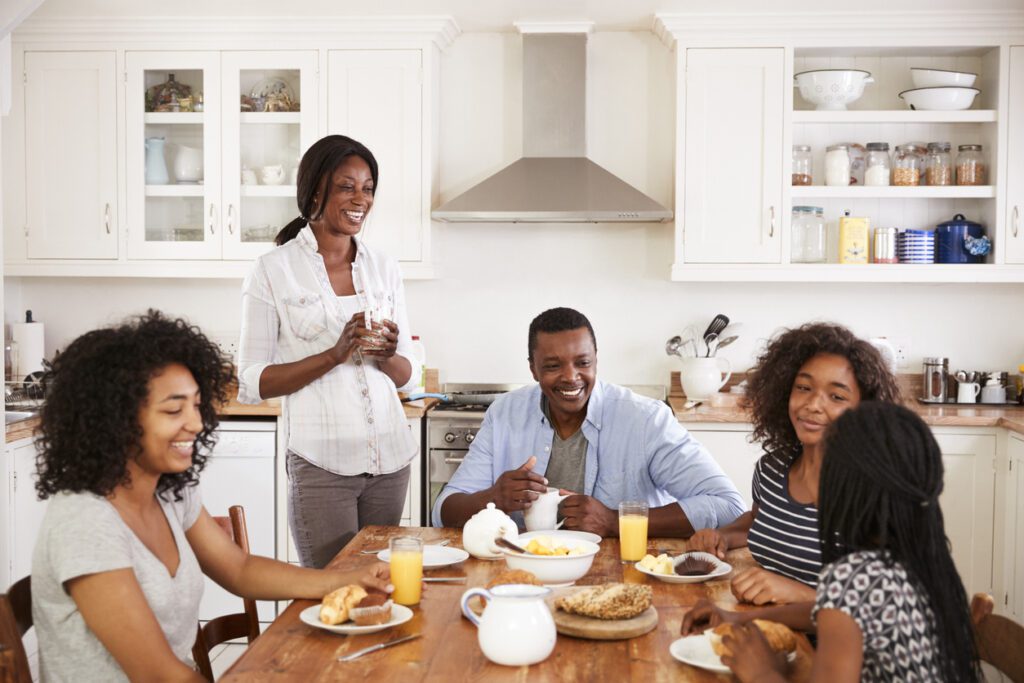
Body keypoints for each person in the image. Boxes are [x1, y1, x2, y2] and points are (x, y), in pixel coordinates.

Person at [31, 311, 391, 682]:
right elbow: (157, 674)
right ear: (114, 419)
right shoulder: (84, 523)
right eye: (174, 409)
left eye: (196, 405)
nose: (197, 423)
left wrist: (347, 579)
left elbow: (239, 569)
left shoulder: (169, 492)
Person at [680, 402, 981, 683]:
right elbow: (827, 612)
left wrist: (763, 673)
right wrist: (738, 619)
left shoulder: (855, 576)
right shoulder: (917, 559)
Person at [238, 134, 420, 568]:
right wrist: (334, 353)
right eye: (347, 186)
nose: (361, 198)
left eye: (368, 187)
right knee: (325, 596)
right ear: (316, 190)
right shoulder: (273, 270)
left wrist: (390, 354)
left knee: (380, 587)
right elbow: (252, 380)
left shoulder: (384, 268)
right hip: (322, 465)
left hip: (390, 464)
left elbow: (409, 376)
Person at [432, 307, 745, 537]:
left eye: (583, 363)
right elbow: (442, 511)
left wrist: (615, 521)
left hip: (622, 574)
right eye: (553, 366)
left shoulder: (645, 420)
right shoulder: (505, 413)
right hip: (522, 575)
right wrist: (493, 498)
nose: (571, 377)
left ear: (596, 358)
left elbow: (727, 506)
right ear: (533, 369)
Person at [686, 323, 900, 604]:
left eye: (836, 396)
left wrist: (795, 593)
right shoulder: (771, 470)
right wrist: (721, 537)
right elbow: (761, 521)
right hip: (770, 630)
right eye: (803, 387)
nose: (813, 404)